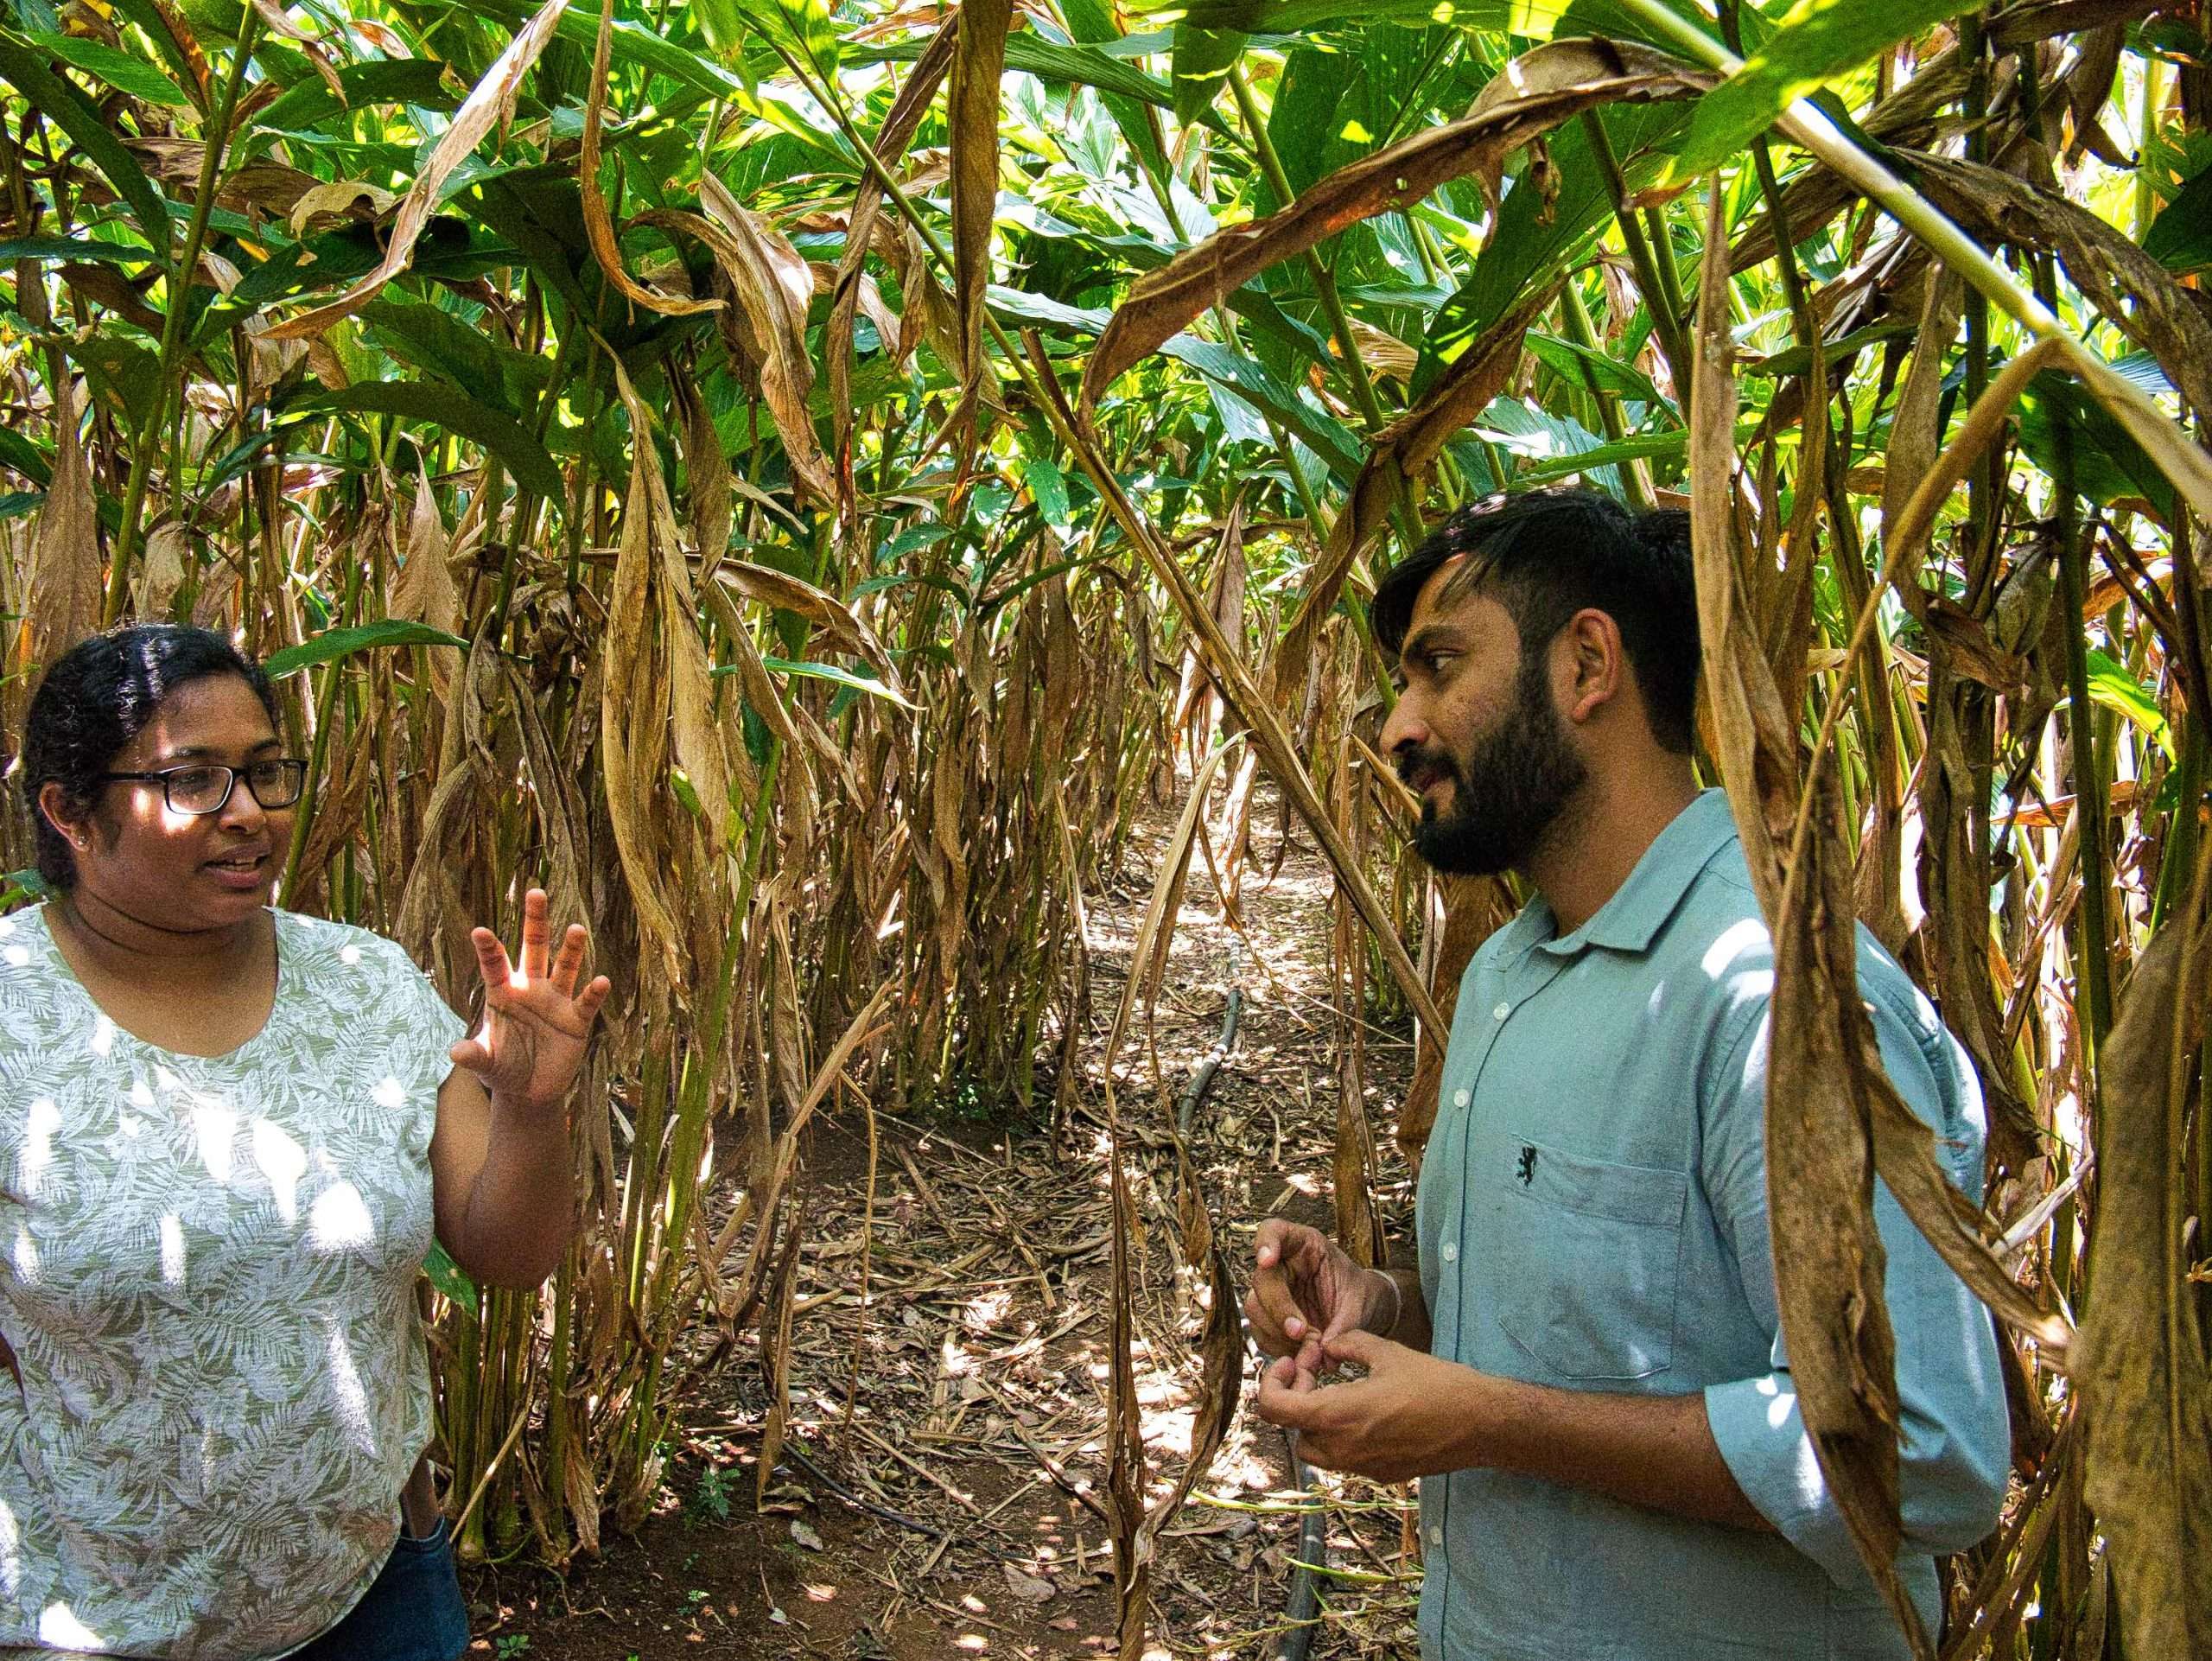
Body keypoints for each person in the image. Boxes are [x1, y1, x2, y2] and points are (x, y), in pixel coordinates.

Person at [1246, 490, 2008, 1659]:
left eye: (1439, 667)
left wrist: (1492, 1424)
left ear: (1587, 665)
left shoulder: (1777, 999)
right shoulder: (1505, 973)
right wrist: (1380, 1306)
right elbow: (1582, 1323)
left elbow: (1925, 1454)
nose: (1397, 728)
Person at [0, 623, 610, 1660]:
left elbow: (509, 1254)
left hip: (367, 1589)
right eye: (192, 779)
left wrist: (531, 1107)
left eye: (265, 770)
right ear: (70, 812)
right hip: (83, 1613)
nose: (248, 811)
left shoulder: (366, 985)